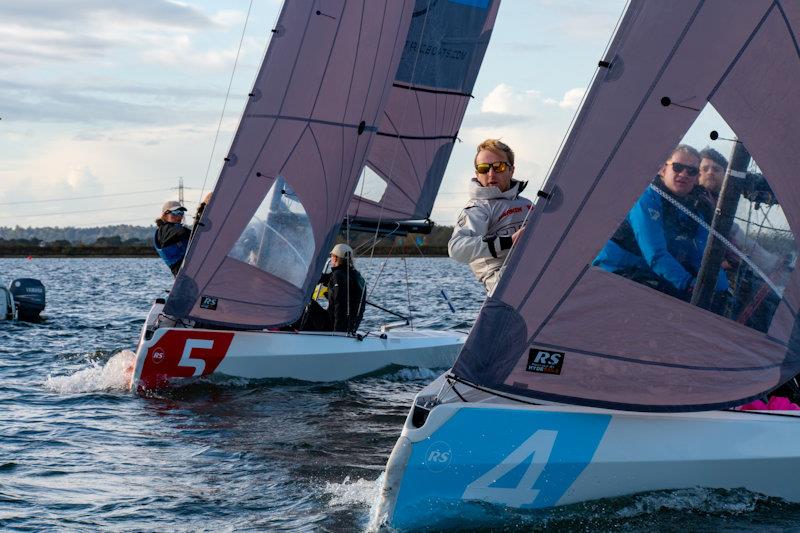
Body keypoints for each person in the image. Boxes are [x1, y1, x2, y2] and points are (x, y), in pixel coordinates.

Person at [593, 144, 729, 301]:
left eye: (691, 171)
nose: (684, 174)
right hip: (616, 270)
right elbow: (655, 253)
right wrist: (689, 284)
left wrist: (720, 288)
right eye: (677, 167)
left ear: (697, 177)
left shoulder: (696, 210)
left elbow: (701, 256)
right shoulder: (646, 198)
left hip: (652, 272)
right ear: (663, 170)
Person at [448, 139, 532, 293]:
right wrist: (508, 241)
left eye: (498, 167)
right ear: (477, 173)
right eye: (483, 168)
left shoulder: (527, 204)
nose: (491, 174)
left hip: (539, 272)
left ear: (511, 170)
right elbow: (456, 248)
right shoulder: (478, 209)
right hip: (505, 282)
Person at [298, 243, 366, 333]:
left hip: (336, 327)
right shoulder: (354, 275)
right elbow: (325, 279)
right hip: (351, 327)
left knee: (306, 302)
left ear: (336, 258)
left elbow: (340, 305)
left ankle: (297, 334)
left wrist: (337, 333)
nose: (331, 258)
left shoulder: (338, 276)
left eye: (331, 256)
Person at [153, 193, 211, 276]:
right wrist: (201, 213)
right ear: (165, 215)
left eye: (181, 213)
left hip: (194, 272)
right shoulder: (163, 231)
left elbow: (195, 236)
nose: (179, 216)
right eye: (175, 212)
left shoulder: (179, 229)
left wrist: (203, 209)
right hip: (185, 276)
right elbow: (180, 232)